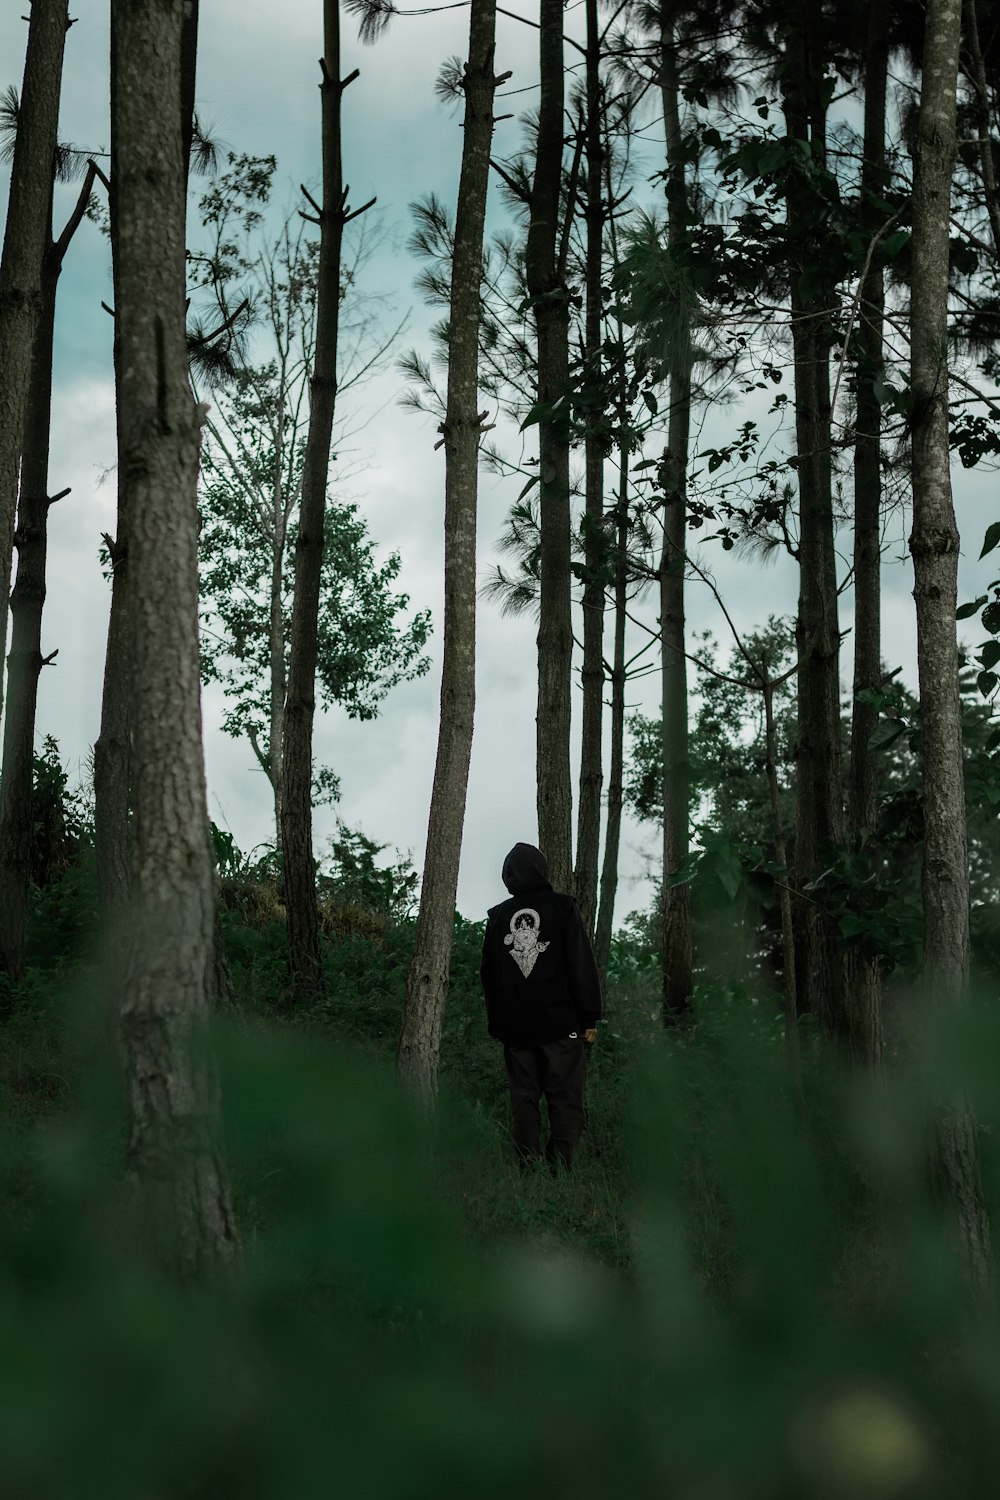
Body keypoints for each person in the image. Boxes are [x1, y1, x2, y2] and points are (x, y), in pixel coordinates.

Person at [479, 842, 602, 1169]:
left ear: (509, 876)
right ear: (541, 871)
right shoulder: (563, 909)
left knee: (524, 1098)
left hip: (515, 1029)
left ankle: (526, 1166)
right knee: (565, 1097)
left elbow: (488, 976)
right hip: (561, 1026)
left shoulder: (497, 917)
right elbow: (580, 964)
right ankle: (560, 1167)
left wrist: (496, 1024)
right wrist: (589, 1016)